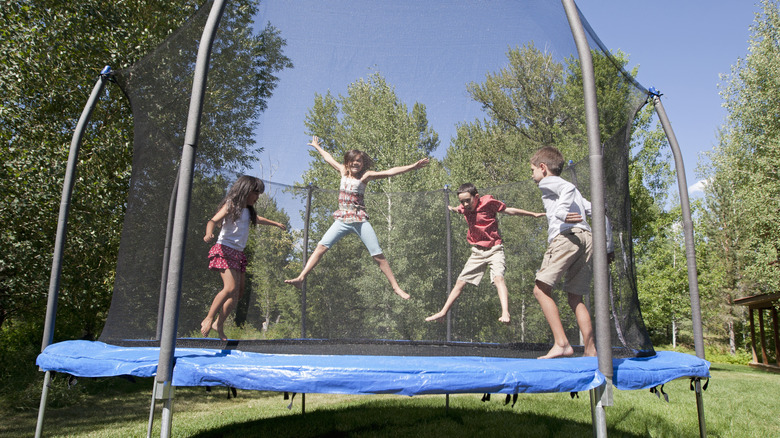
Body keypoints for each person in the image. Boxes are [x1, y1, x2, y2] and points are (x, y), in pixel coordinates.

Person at [285, 136, 429, 299]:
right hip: (342, 220)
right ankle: (301, 277)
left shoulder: (365, 176)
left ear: (363, 164)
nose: (355, 164)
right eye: (352, 161)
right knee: (321, 247)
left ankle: (396, 287)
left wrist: (412, 167)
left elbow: (390, 172)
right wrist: (317, 147)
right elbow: (328, 158)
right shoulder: (342, 172)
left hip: (359, 221)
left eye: (359, 161)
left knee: (377, 255)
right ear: (347, 162)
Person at [529, 146, 612, 359]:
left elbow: (567, 189)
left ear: (543, 167)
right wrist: (608, 244)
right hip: (587, 238)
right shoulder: (576, 193)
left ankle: (562, 343)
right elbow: (597, 211)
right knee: (575, 296)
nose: (533, 177)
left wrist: (561, 212)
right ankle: (591, 350)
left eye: (533, 171)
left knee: (540, 290)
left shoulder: (549, 181)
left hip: (567, 237)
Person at [425, 183, 545, 324]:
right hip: (477, 252)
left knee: (498, 278)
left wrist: (533, 214)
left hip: (495, 249)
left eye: (467, 200)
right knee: (460, 282)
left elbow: (509, 210)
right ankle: (443, 312)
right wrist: (451, 208)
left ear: (476, 197)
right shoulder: (464, 208)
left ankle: (505, 312)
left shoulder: (488, 203)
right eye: (461, 201)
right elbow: (458, 209)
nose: (465, 204)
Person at [201, 175, 286, 340]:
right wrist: (209, 232)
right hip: (224, 250)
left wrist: (275, 223)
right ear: (245, 191)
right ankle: (209, 317)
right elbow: (213, 220)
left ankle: (218, 323)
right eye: (255, 193)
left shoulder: (248, 211)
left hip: (238, 254)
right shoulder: (231, 205)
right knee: (230, 288)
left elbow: (258, 219)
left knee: (238, 293)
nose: (257, 198)